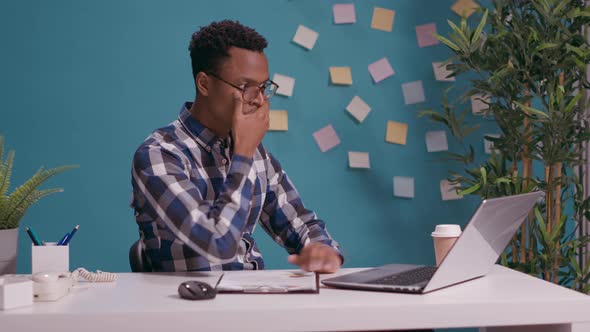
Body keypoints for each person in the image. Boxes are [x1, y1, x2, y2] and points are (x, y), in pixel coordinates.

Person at [130, 20, 343, 273]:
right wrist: (243, 154)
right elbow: (217, 243)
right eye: (246, 87)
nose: (260, 100)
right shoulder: (159, 155)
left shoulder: (256, 153)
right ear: (204, 84)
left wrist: (323, 251)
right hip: (188, 304)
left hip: (250, 300)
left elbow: (302, 223)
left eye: (263, 87)